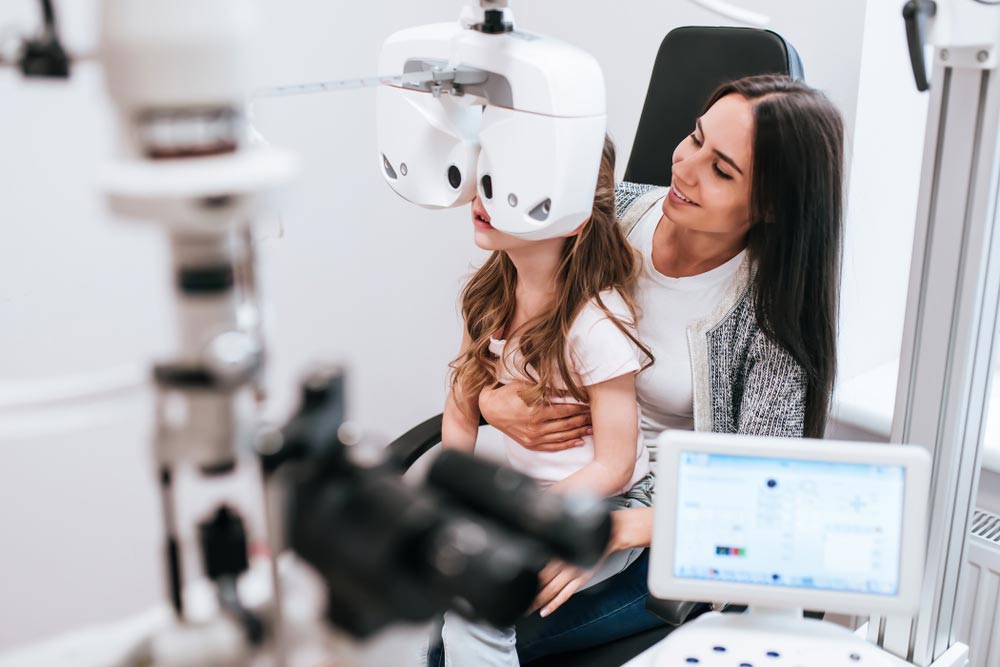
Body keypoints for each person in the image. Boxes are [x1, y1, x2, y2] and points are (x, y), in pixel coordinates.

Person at [477, 74, 846, 663]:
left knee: (488, 629)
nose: (685, 166)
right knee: (436, 587)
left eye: (722, 170)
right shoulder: (612, 214)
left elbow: (757, 496)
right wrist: (491, 404)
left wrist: (616, 531)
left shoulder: (768, 320)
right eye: (695, 138)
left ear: (773, 205)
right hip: (554, 475)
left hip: (657, 525)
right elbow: (501, 321)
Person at [430, 135, 656, 667]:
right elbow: (461, 407)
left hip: (608, 505)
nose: (482, 199)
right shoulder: (487, 298)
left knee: (477, 601)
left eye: (510, 189)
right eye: (486, 180)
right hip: (532, 498)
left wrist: (523, 510)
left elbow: (615, 462)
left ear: (571, 217)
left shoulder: (597, 324)